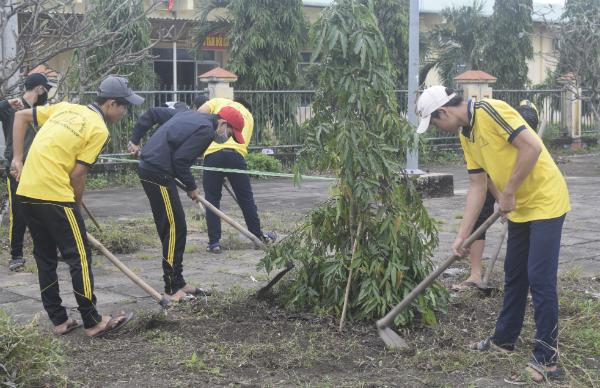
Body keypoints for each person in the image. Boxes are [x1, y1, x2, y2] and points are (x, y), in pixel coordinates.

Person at [417, 86, 570, 383]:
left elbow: (532, 147)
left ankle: (548, 360)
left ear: (444, 111)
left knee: (540, 278)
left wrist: (508, 194)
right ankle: (504, 340)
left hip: (546, 200)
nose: (438, 128)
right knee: (514, 275)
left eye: (435, 122)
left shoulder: (491, 110)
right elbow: (478, 185)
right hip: (521, 207)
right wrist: (463, 235)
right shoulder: (466, 135)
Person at [10, 76, 140, 337]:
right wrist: (76, 210)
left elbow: (21, 116)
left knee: (45, 258)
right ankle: (93, 321)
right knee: (79, 256)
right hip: (55, 194)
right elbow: (77, 176)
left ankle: (59, 321)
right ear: (112, 103)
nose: (125, 112)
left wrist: (17, 159)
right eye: (124, 107)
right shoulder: (99, 129)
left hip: (26, 192)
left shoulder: (67, 107)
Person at [127, 104, 246, 301]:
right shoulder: (207, 130)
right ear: (223, 123)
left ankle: (179, 282)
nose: (228, 138)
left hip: (154, 168)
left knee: (175, 227)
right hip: (157, 171)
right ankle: (172, 288)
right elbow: (180, 160)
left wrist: (135, 138)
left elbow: (153, 113)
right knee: (175, 228)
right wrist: (191, 186)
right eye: (231, 134)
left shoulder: (189, 114)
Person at [451, 99, 539, 291]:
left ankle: (531, 275)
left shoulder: (527, 136)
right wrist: (503, 201)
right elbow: (486, 179)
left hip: (517, 182)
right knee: (479, 216)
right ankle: (475, 275)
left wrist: (511, 200)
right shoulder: (499, 127)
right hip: (491, 178)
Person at [197, 98, 275, 253]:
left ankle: (214, 243)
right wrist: (228, 169)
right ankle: (257, 238)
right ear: (247, 108)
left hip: (213, 155)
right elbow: (242, 142)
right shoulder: (249, 116)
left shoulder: (219, 101)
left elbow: (199, 113)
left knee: (212, 199)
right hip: (236, 157)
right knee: (246, 198)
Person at [1, 73, 55, 271]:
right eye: (46, 89)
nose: (47, 93)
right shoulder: (13, 108)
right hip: (16, 169)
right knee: (20, 212)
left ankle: (53, 247)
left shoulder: (41, 111)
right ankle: (16, 256)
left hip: (39, 168)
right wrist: (7, 103)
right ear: (40, 89)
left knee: (48, 207)